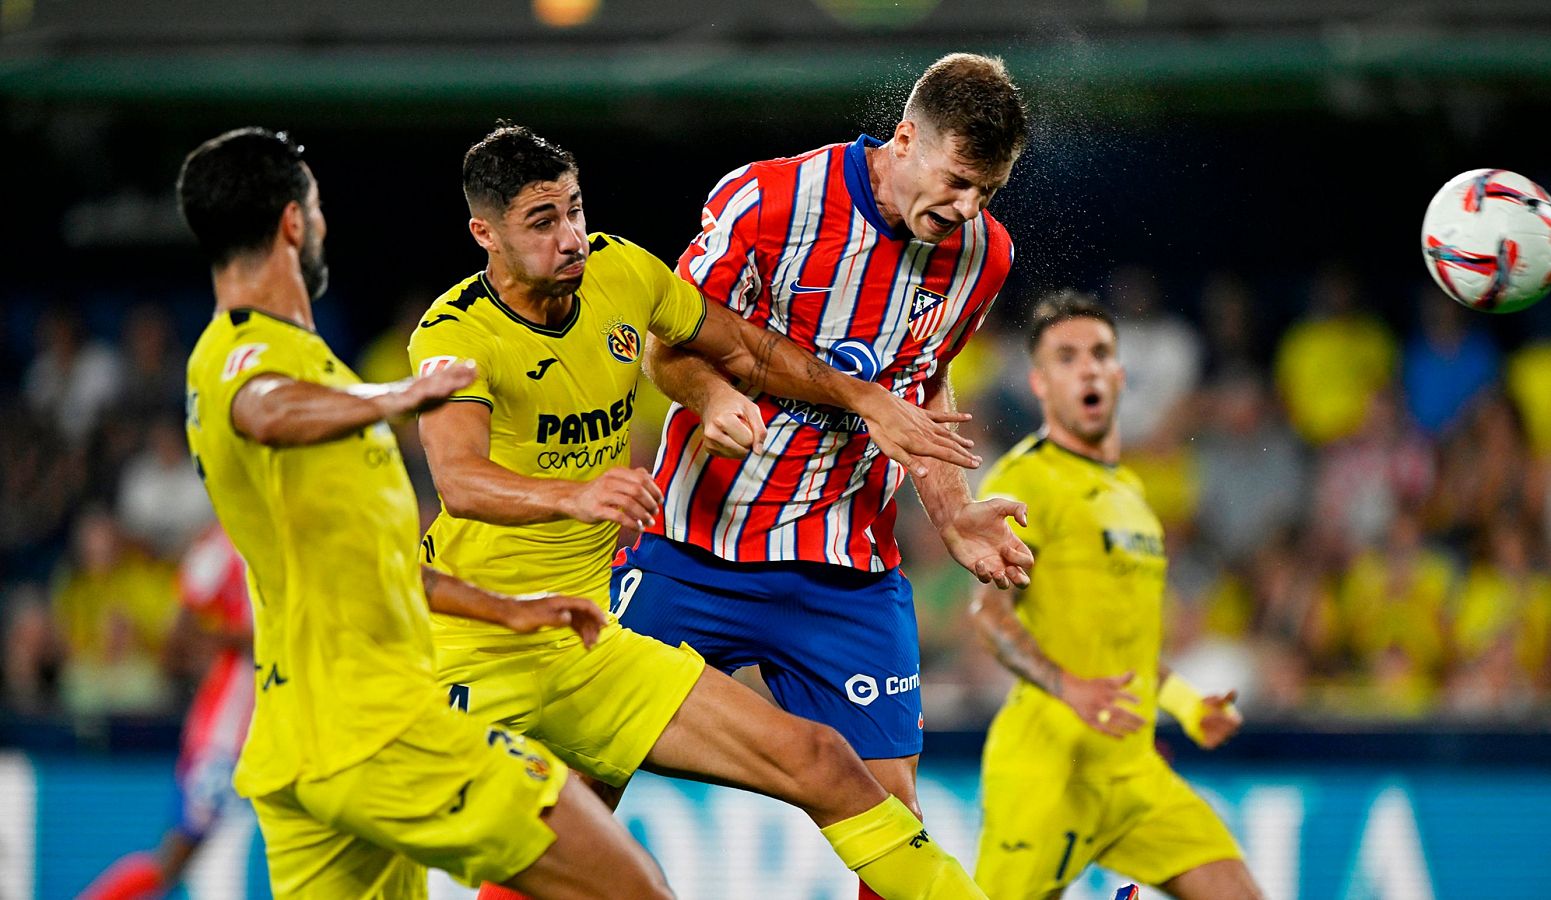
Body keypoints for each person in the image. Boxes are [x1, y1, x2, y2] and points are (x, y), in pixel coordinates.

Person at [411, 122, 987, 900]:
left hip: (588, 650)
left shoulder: (623, 272)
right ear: (484, 232)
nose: (572, 236)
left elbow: (742, 348)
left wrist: (860, 398)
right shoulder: (455, 335)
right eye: (542, 223)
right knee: (500, 860)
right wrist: (573, 495)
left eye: (575, 210)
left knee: (823, 765)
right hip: (474, 648)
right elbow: (460, 481)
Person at [177, 126, 671, 898]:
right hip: (378, 728)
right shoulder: (249, 357)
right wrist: (397, 397)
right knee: (632, 888)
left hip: (296, 749)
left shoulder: (306, 365)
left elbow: (379, 565)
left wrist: (507, 612)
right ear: (294, 224)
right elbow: (264, 407)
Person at [613, 54, 1034, 899]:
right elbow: (669, 349)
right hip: (694, 549)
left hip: (844, 571)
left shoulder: (982, 256)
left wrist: (951, 513)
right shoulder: (767, 201)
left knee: (889, 816)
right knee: (576, 783)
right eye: (956, 181)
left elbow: (925, 377)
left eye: (986, 192)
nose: (965, 209)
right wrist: (710, 396)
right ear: (905, 138)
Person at [969, 292, 1264, 899]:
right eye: (1066, 357)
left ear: (1121, 375)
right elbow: (989, 616)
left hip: (1132, 771)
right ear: (1040, 384)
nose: (1088, 368)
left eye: (1100, 353)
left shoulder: (1133, 494)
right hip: (1048, 769)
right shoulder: (1025, 482)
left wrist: (1186, 704)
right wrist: (1068, 686)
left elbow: (1126, 641)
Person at [78, 525, 253, 900]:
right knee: (173, 859)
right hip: (225, 737)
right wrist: (245, 640)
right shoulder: (226, 546)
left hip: (275, 728)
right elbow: (177, 635)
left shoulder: (290, 530)